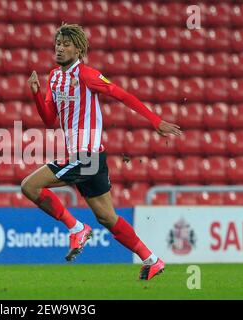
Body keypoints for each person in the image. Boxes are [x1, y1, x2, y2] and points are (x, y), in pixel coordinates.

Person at [21, 23, 182, 280]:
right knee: (108, 218)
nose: (60, 48)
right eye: (58, 44)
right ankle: (152, 260)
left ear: (79, 48)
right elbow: (49, 119)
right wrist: (36, 94)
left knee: (29, 186)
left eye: (66, 44)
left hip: (88, 157)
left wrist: (155, 121)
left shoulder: (86, 75)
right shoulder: (54, 77)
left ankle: (76, 228)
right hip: (88, 159)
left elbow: (121, 94)